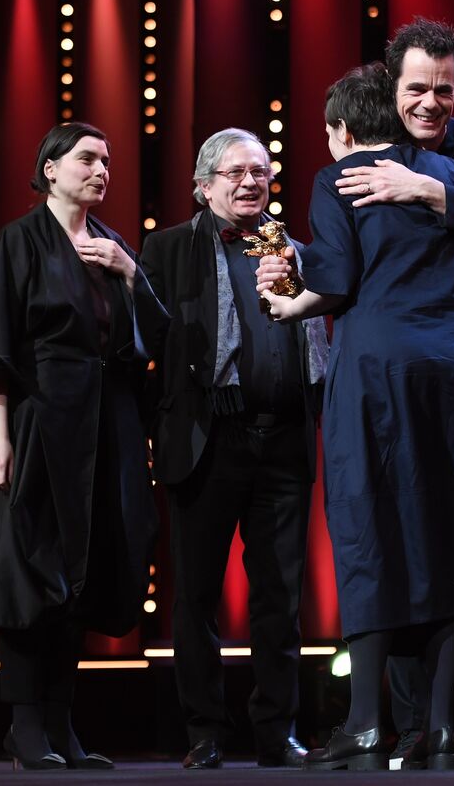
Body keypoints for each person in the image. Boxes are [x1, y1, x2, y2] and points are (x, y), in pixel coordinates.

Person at [257, 17, 454, 771]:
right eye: (417, 89)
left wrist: (425, 188)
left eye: (444, 91)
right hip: (444, 359)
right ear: (391, 90)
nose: (431, 103)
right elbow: (352, 262)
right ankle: (422, 725)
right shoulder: (379, 162)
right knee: (422, 534)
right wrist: (296, 264)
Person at [0, 122, 168, 771]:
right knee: (28, 569)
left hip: (104, 428)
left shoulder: (112, 246)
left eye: (107, 160)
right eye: (87, 158)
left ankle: (59, 722)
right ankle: (24, 724)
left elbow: (157, 339)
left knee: (83, 571)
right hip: (40, 420)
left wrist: (130, 274)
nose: (102, 170)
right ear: (50, 168)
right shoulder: (21, 240)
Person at [139, 128, 328, 770]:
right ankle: (204, 732)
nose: (252, 182)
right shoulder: (167, 248)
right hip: (207, 441)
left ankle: (277, 732)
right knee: (196, 595)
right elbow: (145, 344)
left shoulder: (295, 250)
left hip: (283, 440)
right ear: (204, 186)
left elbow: (316, 337)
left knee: (280, 596)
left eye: (262, 172)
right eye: (237, 172)